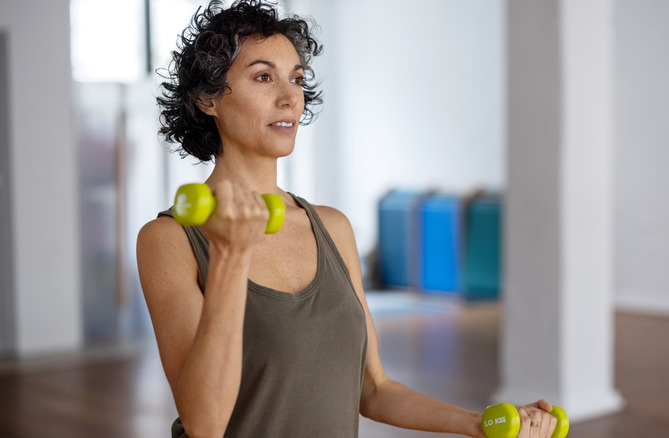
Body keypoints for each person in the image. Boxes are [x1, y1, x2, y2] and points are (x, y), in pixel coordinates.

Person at [136, 1, 558, 437]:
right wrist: (230, 256)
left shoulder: (332, 227)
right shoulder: (169, 240)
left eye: (296, 78)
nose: (289, 97)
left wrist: (479, 424)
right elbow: (204, 424)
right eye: (264, 77)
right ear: (207, 99)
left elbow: (374, 389)